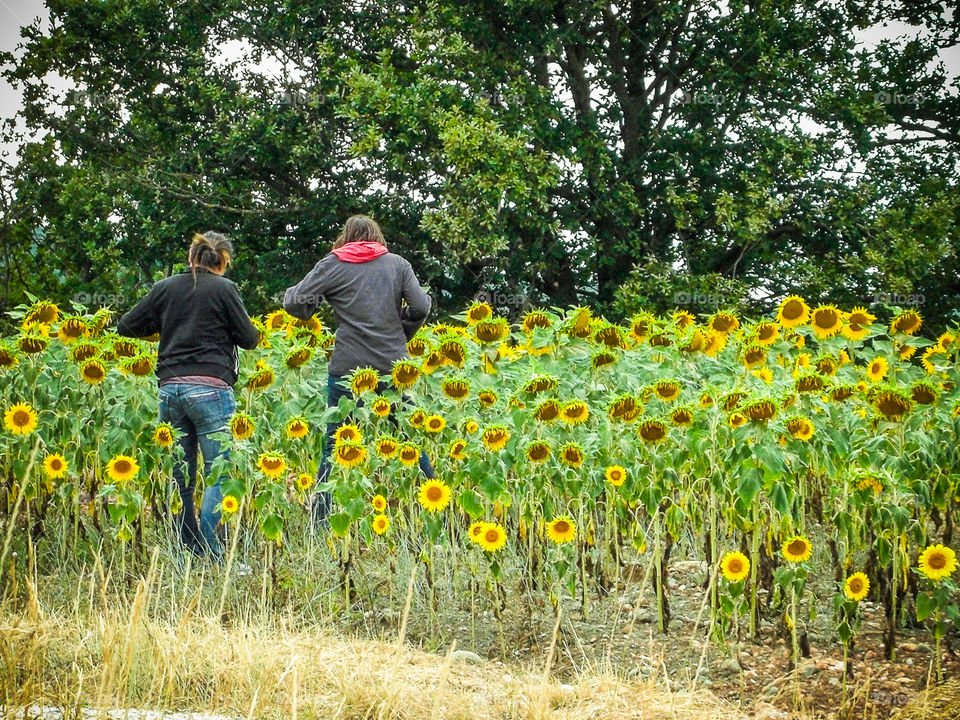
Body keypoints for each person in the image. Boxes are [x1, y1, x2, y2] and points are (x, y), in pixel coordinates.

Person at [118, 231, 259, 559]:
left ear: (191, 257)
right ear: (223, 261)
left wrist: (167, 328)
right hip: (212, 389)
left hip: (170, 389)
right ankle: (212, 554)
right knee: (217, 472)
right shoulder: (225, 289)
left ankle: (184, 550)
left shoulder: (164, 288)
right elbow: (249, 338)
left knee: (179, 475)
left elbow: (126, 327)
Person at [284, 214, 433, 523]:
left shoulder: (332, 264)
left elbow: (294, 302)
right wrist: (402, 331)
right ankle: (437, 515)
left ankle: (321, 523)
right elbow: (421, 306)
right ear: (377, 237)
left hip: (348, 368)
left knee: (336, 444)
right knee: (408, 438)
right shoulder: (397, 265)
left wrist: (311, 308)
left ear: (346, 237)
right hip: (393, 367)